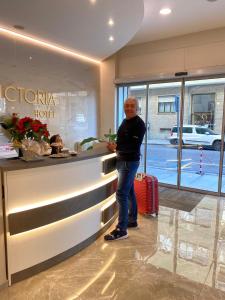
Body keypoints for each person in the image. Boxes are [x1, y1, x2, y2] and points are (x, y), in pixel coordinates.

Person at [104, 97, 146, 241]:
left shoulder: (139, 124)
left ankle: (122, 230)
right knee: (129, 192)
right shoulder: (125, 121)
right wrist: (115, 145)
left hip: (129, 162)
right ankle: (132, 220)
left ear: (137, 108)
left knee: (121, 194)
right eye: (126, 105)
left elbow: (133, 146)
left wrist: (117, 147)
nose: (128, 108)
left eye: (131, 106)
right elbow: (123, 141)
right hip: (123, 161)